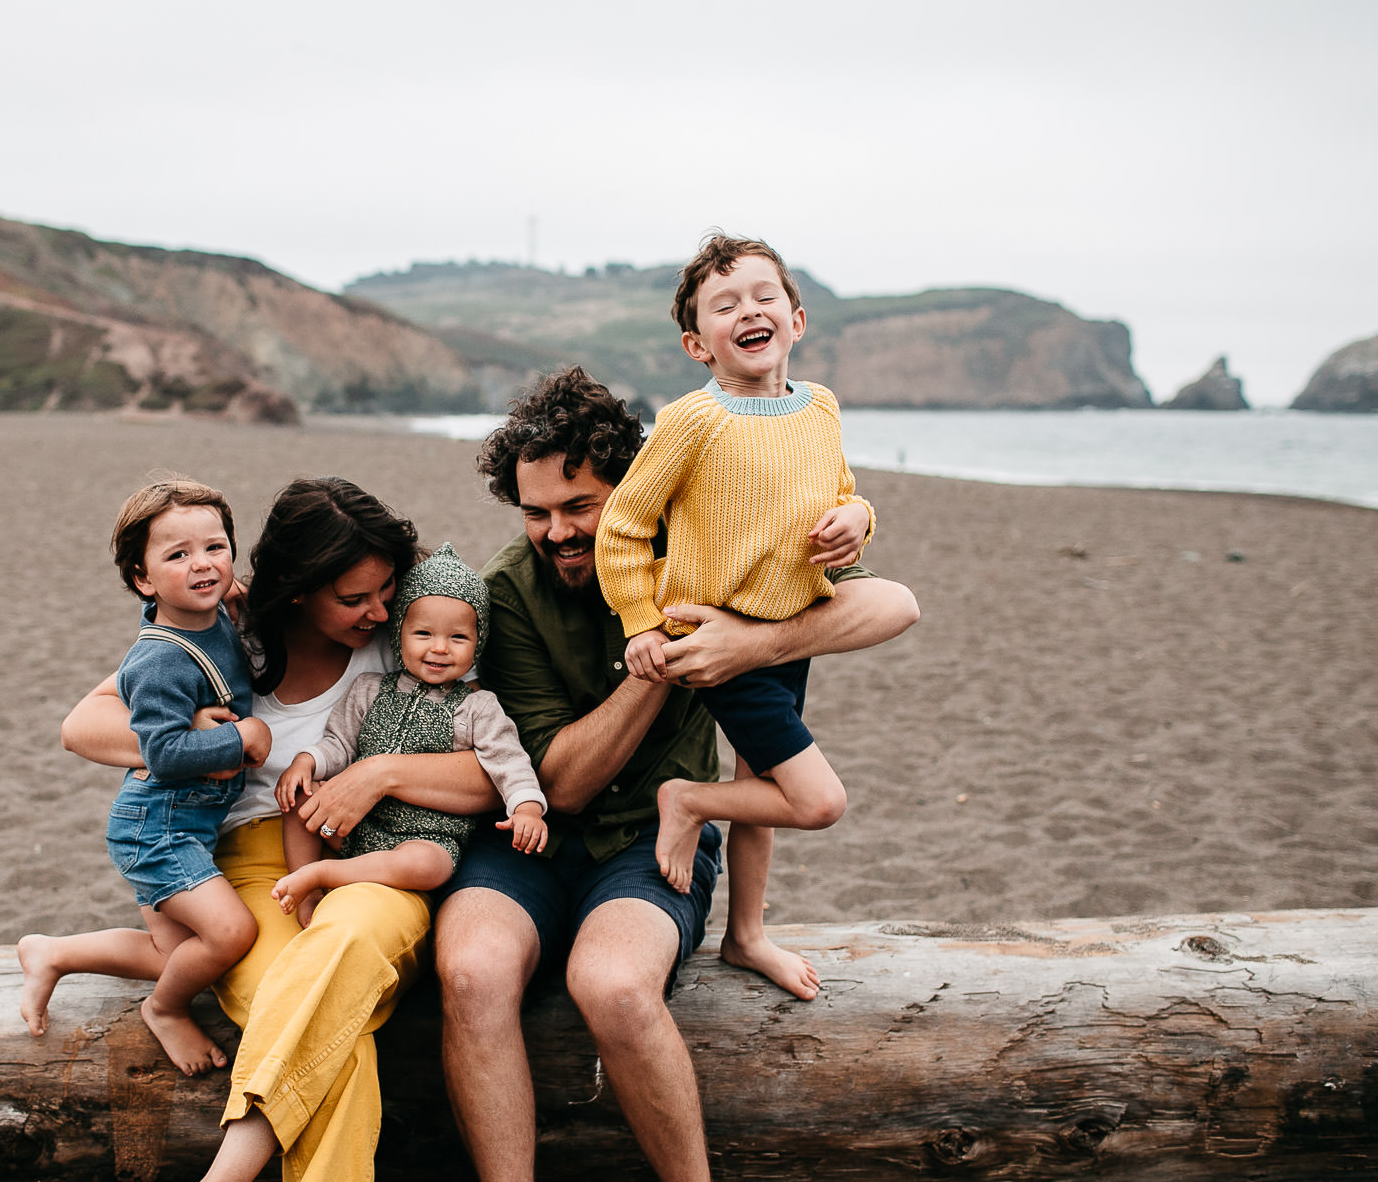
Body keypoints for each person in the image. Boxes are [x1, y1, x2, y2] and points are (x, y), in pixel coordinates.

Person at [437, 366, 919, 1181]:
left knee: (615, 987)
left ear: (631, 493)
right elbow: (563, 784)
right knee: (472, 972)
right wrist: (650, 665)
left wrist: (748, 641)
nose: (556, 533)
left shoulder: (711, 556)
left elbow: (896, 605)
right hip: (528, 834)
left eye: (579, 508)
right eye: (536, 514)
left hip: (652, 846)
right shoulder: (506, 592)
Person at [41, 477, 501, 1182]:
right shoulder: (229, 636)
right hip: (254, 868)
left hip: (376, 856)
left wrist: (377, 776)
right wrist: (203, 734)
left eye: (384, 591)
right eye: (353, 600)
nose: (378, 611)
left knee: (340, 948)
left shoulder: (411, 638)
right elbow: (82, 726)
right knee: (318, 1022)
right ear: (295, 592)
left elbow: (489, 772)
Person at [595, 232, 874, 1002]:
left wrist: (858, 519)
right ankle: (687, 799)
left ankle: (747, 936)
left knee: (768, 791)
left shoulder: (820, 407)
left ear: (796, 317)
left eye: (763, 297)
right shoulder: (691, 420)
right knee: (816, 800)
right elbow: (622, 524)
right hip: (720, 637)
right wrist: (642, 623)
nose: (748, 311)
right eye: (725, 306)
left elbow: (843, 489)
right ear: (697, 343)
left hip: (787, 632)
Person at [18, 478, 267, 1076]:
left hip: (183, 820)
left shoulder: (212, 619)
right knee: (231, 935)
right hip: (160, 826)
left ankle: (53, 953)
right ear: (142, 578)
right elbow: (165, 754)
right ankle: (164, 1011)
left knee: (172, 952)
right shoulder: (161, 658)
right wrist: (239, 738)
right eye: (177, 555)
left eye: (215, 547)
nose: (202, 564)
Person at [272, 543, 549, 922]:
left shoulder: (478, 707)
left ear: (478, 644)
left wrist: (528, 809)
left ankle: (324, 874)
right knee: (300, 802)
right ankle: (306, 899)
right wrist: (307, 761)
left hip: (425, 836)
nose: (439, 648)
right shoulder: (369, 688)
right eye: (423, 633)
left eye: (458, 638)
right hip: (356, 822)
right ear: (398, 634)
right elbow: (338, 742)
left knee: (428, 866)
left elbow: (509, 762)